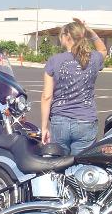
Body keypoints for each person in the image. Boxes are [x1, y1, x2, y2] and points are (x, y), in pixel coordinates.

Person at [41, 18, 107, 156]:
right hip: (86, 121)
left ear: (67, 37)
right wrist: (89, 31)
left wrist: (44, 127)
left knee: (59, 163)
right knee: (82, 164)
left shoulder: (54, 61)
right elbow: (103, 49)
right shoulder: (93, 58)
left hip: (60, 120)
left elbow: (47, 97)